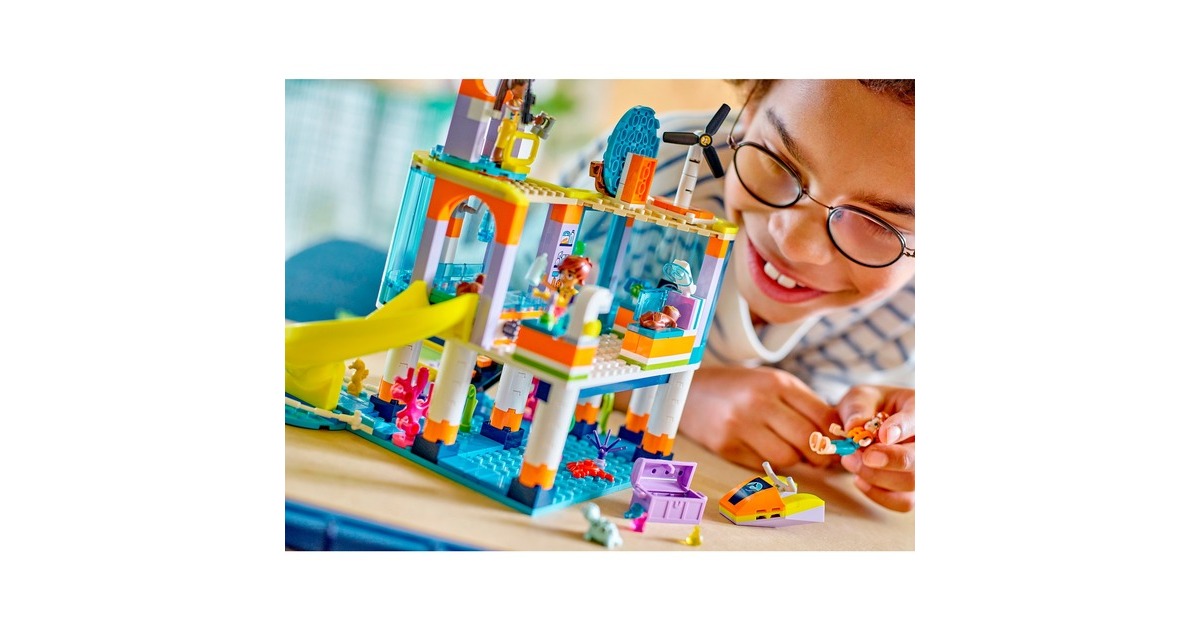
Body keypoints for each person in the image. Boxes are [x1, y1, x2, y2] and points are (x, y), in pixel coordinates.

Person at [560, 80, 915, 512]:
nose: (796, 245)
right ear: (749, 108)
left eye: (879, 225)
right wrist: (684, 394)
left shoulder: (911, 312)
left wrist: (873, 440)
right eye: (781, 164)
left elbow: (835, 410)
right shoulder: (649, 176)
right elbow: (510, 333)